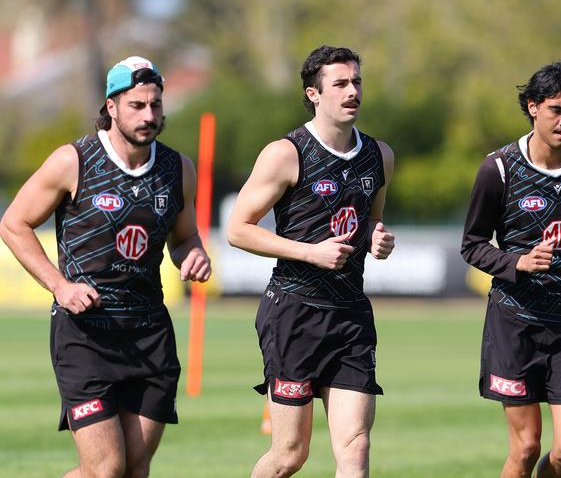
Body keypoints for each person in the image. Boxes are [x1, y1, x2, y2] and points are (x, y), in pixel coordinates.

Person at [0, 56, 211, 478]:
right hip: (85, 335)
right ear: (111, 106)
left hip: (150, 334)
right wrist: (59, 286)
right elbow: (13, 223)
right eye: (137, 105)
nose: (149, 115)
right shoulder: (73, 160)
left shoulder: (178, 169)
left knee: (133, 469)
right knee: (107, 469)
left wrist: (193, 252)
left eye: (155, 105)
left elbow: (184, 236)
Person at [227, 45, 395, 478]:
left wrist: (377, 238)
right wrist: (309, 251)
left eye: (356, 81)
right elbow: (238, 229)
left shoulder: (380, 156)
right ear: (314, 94)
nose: (352, 90)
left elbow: (372, 221)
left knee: (355, 447)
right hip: (293, 313)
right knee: (289, 455)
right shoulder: (287, 152)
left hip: (351, 315)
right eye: (340, 83)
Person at [461, 61, 561, 478]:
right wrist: (517, 262)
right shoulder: (500, 168)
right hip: (515, 323)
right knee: (527, 447)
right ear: (532, 107)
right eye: (556, 110)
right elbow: (471, 246)